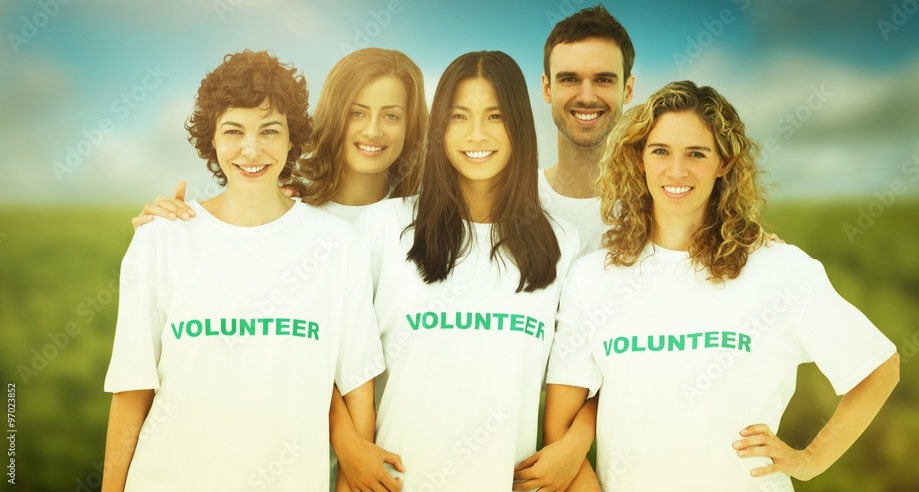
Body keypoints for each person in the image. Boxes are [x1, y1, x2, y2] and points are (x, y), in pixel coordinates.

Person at [544, 81, 900, 491]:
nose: (676, 171)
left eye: (696, 153)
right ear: (639, 158)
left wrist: (811, 459)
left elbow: (878, 368)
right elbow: (561, 423)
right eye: (661, 151)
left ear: (724, 163)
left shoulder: (781, 269)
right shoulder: (592, 278)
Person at [101, 50, 384, 491]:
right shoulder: (160, 238)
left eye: (270, 130)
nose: (251, 149)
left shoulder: (338, 246)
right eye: (234, 130)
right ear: (210, 140)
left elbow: (357, 392)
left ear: (293, 139)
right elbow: (132, 388)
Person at [351, 50, 584, 491]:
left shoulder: (563, 244)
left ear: (520, 124)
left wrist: (574, 446)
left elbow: (593, 373)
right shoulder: (382, 227)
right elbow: (336, 362)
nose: (477, 134)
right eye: (459, 117)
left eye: (495, 116)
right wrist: (350, 449)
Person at [129, 47, 428, 227]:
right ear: (335, 115)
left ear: (411, 125)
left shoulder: (429, 217)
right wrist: (163, 229)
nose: (373, 131)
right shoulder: (290, 205)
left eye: (391, 116)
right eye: (357, 113)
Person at [538, 3, 635, 252]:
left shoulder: (655, 202)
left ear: (628, 89)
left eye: (603, 79)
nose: (587, 97)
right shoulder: (512, 200)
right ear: (547, 89)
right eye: (570, 79)